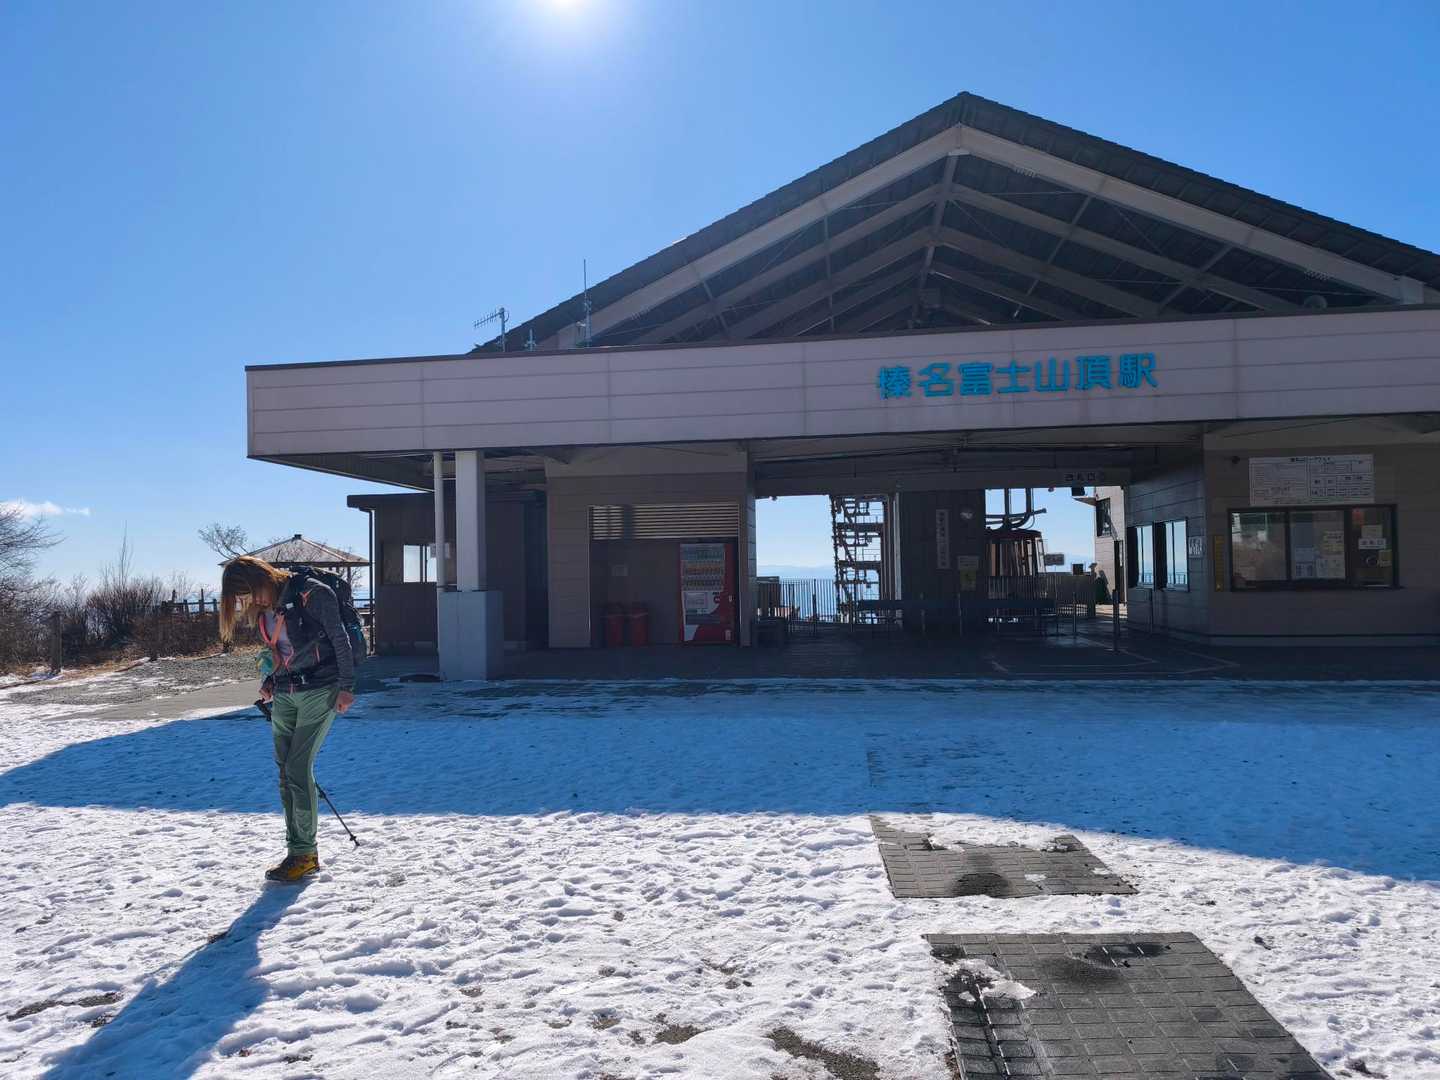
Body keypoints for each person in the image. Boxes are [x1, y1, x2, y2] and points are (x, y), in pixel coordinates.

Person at [219, 555, 355, 882]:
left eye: (250, 594)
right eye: (243, 599)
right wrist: (269, 680)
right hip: (284, 692)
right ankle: (297, 851)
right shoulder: (265, 608)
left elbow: (340, 640)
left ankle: (304, 853)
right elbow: (279, 652)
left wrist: (347, 687)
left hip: (320, 689)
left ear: (262, 579)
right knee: (285, 772)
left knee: (297, 767)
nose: (251, 603)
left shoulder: (313, 593)